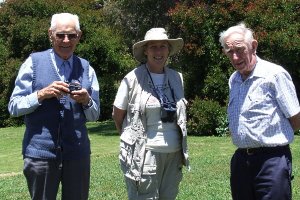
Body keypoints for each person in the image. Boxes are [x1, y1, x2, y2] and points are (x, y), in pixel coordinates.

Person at [8, 13, 100, 200]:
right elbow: (14, 106)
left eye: (71, 35)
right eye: (60, 35)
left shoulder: (86, 67)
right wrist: (41, 94)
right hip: (40, 155)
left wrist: (86, 101)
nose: (66, 40)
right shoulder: (33, 63)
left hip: (77, 154)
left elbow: (94, 115)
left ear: (79, 36)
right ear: (50, 34)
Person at [219, 22, 300, 200]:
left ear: (253, 46)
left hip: (272, 161)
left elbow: (296, 118)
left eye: (239, 50)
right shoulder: (234, 79)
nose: (234, 57)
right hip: (241, 161)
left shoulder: (275, 74)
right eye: (229, 52)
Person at [112, 28, 190, 200]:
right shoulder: (132, 79)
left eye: (163, 46)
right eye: (153, 47)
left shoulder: (177, 78)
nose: (158, 51)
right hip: (145, 154)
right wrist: (130, 137)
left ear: (168, 50)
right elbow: (118, 116)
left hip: (174, 154)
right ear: (145, 51)